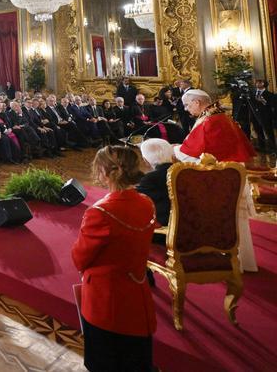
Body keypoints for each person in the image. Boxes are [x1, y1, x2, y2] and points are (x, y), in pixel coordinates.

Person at [72, 145, 157, 372]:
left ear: (104, 172)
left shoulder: (99, 213)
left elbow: (79, 258)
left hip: (107, 302)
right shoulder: (146, 202)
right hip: (138, 294)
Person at [173, 89, 257, 271]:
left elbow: (195, 155)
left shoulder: (209, 121)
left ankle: (229, 261)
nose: (187, 110)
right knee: (234, 220)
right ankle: (242, 262)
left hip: (220, 180)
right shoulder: (219, 116)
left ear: (197, 102)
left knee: (225, 219)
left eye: (187, 105)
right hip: (232, 175)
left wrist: (174, 150)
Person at [136, 138, 174, 227]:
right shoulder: (183, 171)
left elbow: (138, 203)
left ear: (145, 160)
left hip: (165, 226)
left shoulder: (150, 179)